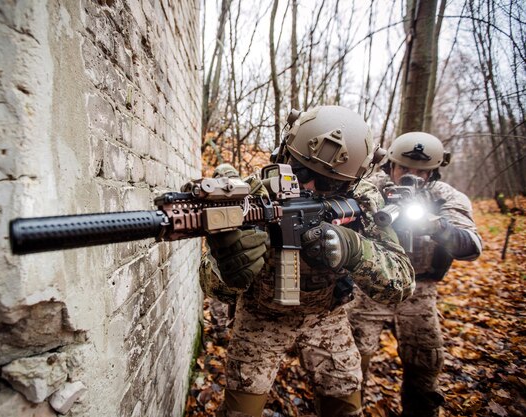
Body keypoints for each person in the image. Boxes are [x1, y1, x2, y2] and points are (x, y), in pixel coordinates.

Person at [200, 105, 415, 417]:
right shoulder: (252, 194)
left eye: (327, 183)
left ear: (351, 183)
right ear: (284, 154)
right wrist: (228, 265)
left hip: (327, 319)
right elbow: (211, 288)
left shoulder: (365, 200)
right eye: (299, 172)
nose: (309, 188)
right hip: (260, 317)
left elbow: (402, 282)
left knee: (345, 407)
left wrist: (355, 250)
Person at [348, 132, 483, 417]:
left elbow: (471, 247)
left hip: (419, 292)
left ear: (433, 172)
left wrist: (439, 228)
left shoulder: (444, 197)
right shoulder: (369, 189)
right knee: (351, 362)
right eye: (405, 169)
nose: (413, 177)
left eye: (421, 172)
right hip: (369, 288)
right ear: (391, 166)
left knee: (425, 364)